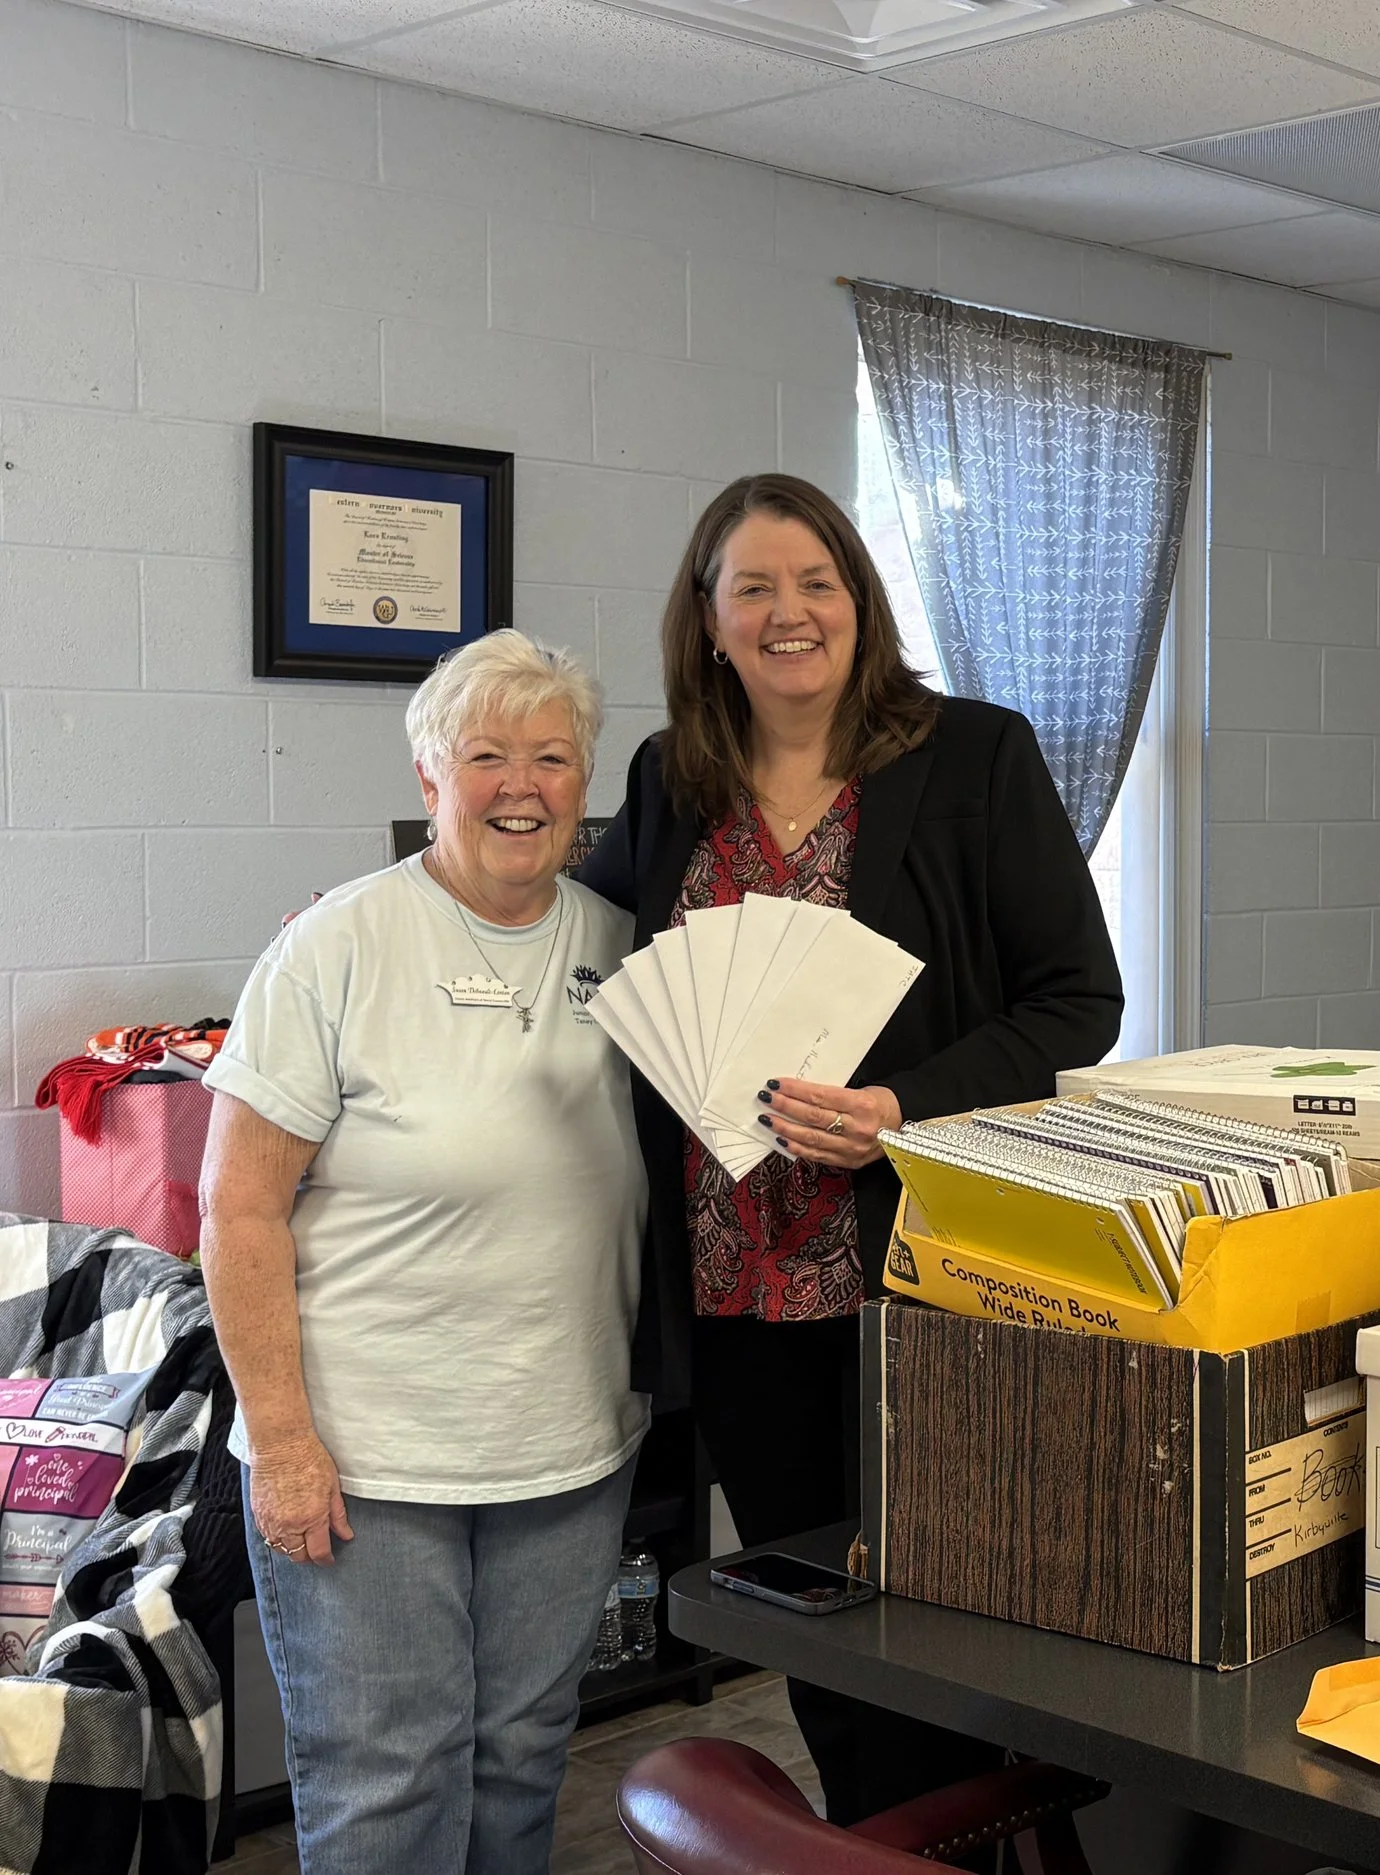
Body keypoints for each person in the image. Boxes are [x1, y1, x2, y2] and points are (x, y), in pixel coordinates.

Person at [578, 472, 1121, 1819]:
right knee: (809, 1619)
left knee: (935, 1617)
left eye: (816, 581)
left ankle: (957, 1842)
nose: (788, 611)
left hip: (906, 1281)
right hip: (739, 1298)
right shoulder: (670, 779)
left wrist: (904, 1106)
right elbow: (577, 947)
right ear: (708, 620)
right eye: (752, 587)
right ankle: (869, 1845)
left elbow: (1077, 1000)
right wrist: (400, 923)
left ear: (860, 605)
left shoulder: (973, 757)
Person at [200, 632, 646, 1875]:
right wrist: (282, 1445)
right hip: (366, 1459)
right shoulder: (334, 947)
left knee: (520, 1758)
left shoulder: (622, 946)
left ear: (584, 777)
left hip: (564, 1444)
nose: (522, 784)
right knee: (385, 1784)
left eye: (552, 757)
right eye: (486, 754)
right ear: (427, 774)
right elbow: (237, 1209)